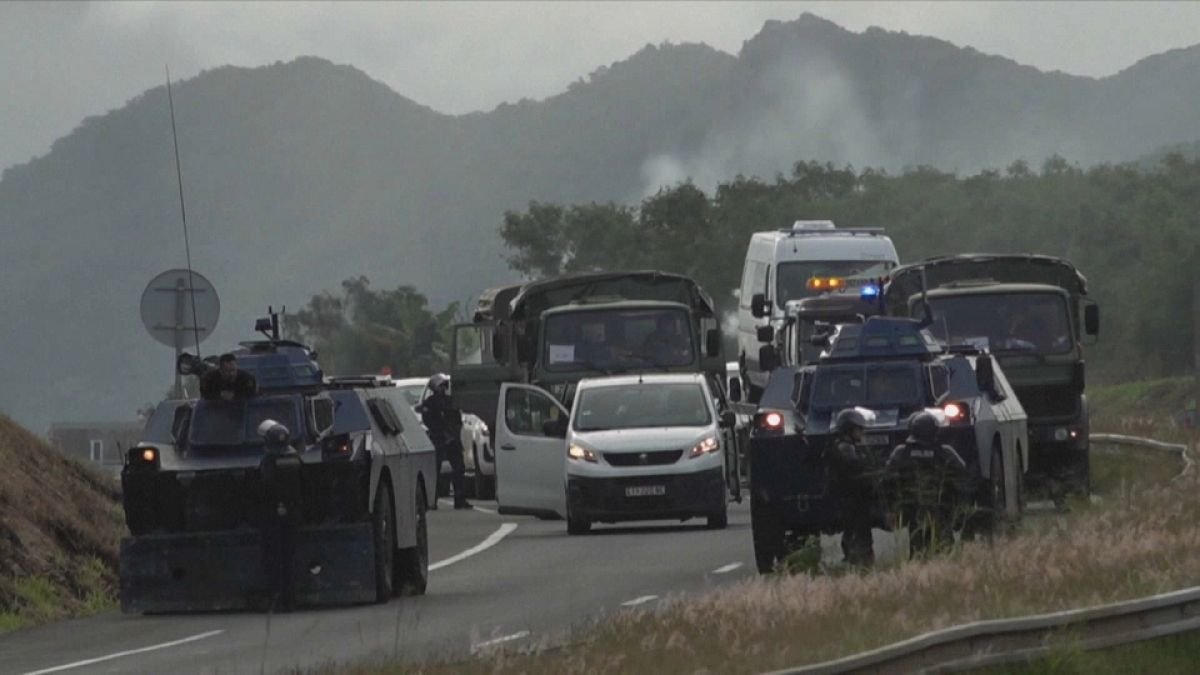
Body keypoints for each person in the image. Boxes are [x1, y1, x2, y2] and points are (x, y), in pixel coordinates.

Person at [882, 411, 972, 556]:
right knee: (944, 550)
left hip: (913, 510)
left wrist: (892, 508)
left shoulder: (901, 452)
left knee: (917, 550)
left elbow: (887, 481)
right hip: (941, 509)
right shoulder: (945, 452)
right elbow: (963, 477)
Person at [829, 407, 878, 568]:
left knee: (856, 530)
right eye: (858, 429)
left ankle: (858, 559)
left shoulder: (847, 446)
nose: (862, 432)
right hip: (852, 497)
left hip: (851, 497)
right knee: (858, 529)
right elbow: (855, 471)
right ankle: (858, 560)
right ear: (849, 430)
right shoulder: (845, 448)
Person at [419, 373, 471, 509]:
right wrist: (441, 432)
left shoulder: (450, 401)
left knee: (459, 468)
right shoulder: (430, 403)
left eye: (444, 386)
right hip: (438, 439)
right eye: (441, 386)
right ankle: (432, 501)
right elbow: (428, 420)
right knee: (435, 470)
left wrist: (454, 434)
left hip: (452, 440)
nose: (443, 389)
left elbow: (457, 420)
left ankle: (460, 499)